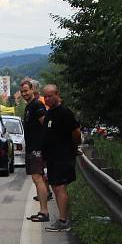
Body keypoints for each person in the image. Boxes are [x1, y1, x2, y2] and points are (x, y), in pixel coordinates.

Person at [41, 84, 81, 232]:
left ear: (57, 94)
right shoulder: (50, 112)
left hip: (62, 156)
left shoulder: (64, 112)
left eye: (50, 96)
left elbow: (76, 132)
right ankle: (62, 218)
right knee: (55, 186)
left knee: (60, 187)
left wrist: (73, 147)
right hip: (52, 157)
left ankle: (63, 220)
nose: (47, 99)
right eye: (45, 96)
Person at [20, 79, 50, 222]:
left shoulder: (37, 105)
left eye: (26, 90)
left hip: (37, 148)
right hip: (32, 147)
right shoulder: (29, 106)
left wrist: (43, 145)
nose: (24, 93)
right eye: (22, 91)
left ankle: (44, 212)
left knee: (37, 178)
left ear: (33, 90)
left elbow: (45, 125)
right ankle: (42, 210)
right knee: (38, 178)